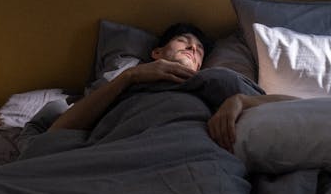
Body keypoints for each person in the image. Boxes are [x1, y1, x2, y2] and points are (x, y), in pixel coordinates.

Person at [48, 23, 211, 132]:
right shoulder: (130, 78)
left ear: (199, 67)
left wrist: (236, 102)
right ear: (157, 53)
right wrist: (130, 76)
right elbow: (59, 130)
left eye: (200, 49)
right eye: (183, 40)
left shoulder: (210, 82)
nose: (192, 47)